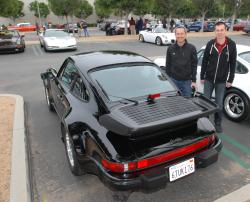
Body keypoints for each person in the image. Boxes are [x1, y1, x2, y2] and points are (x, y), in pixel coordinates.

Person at [200, 21, 237, 133]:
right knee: (205, 102)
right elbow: (205, 61)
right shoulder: (210, 44)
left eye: (222, 30)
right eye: (217, 30)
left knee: (219, 104)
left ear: (225, 30)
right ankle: (204, 123)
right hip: (209, 79)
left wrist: (230, 79)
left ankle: (218, 123)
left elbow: (233, 63)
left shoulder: (231, 45)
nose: (220, 32)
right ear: (215, 31)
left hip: (221, 81)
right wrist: (202, 76)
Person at [165, 25, 198, 97]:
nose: (180, 36)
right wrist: (168, 81)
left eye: (182, 34)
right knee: (174, 102)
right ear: (175, 35)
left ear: (185, 35)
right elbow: (168, 65)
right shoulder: (170, 48)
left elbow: (194, 65)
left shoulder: (192, 48)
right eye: (178, 34)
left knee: (187, 102)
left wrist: (194, 81)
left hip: (187, 82)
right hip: (174, 81)